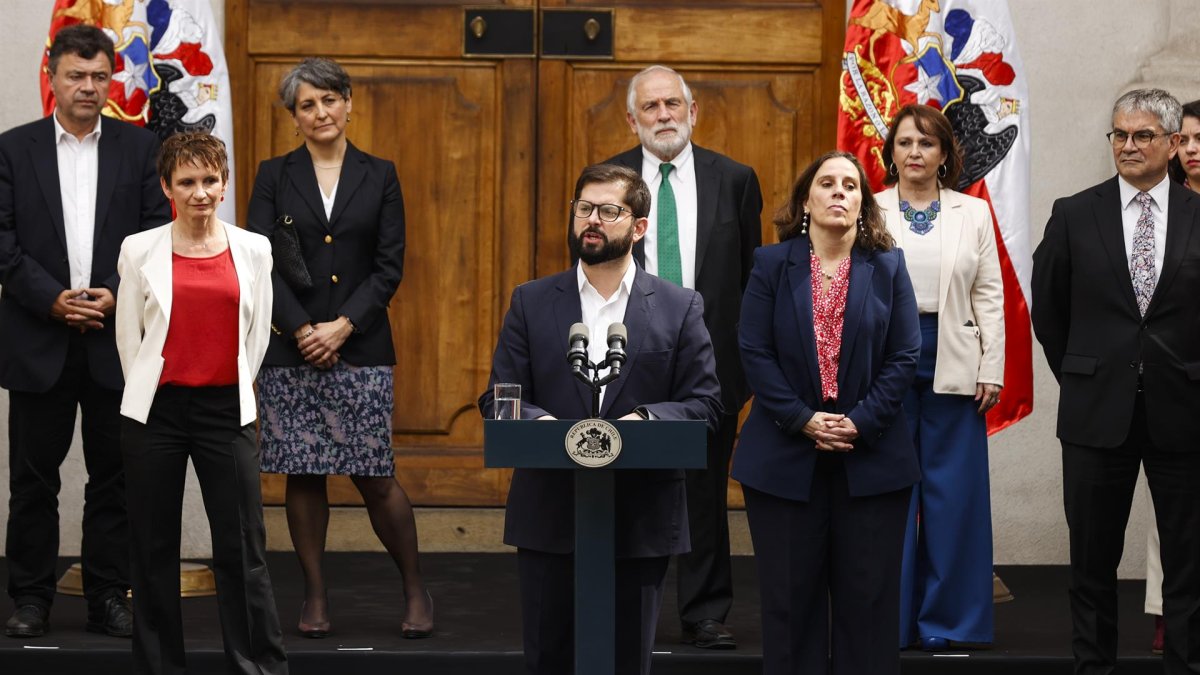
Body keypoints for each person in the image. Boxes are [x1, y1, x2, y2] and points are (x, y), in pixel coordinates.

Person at [478, 163, 723, 675]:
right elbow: (499, 398)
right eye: (584, 208)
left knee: (626, 660)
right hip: (549, 513)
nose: (592, 219)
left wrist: (645, 419)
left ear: (639, 227)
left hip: (640, 517)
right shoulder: (531, 301)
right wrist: (544, 428)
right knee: (548, 660)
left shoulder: (679, 307)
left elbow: (705, 405)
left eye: (609, 211)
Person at [246, 57, 431, 639]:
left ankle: (414, 587)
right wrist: (302, 328)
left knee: (374, 475)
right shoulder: (273, 175)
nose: (320, 112)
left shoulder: (381, 174)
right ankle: (315, 594)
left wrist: (343, 326)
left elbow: (388, 266)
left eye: (329, 99)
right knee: (303, 475)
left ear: (348, 103)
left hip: (361, 346)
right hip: (291, 349)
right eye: (307, 104)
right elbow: (259, 260)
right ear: (294, 117)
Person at [0, 24, 171, 638]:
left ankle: (107, 597)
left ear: (111, 80)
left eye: (100, 76)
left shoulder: (141, 148)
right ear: (52, 77)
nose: (88, 87)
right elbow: (3, 241)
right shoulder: (12, 150)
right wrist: (50, 299)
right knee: (32, 481)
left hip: (114, 340)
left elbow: (159, 234)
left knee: (115, 479)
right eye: (76, 75)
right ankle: (30, 599)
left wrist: (118, 293)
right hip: (37, 339)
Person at [732, 150, 921, 674]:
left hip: (873, 459)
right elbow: (754, 351)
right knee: (791, 607)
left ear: (863, 204)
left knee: (870, 608)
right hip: (785, 457)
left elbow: (905, 354)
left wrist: (860, 421)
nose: (840, 191)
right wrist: (802, 419)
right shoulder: (771, 264)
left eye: (851, 185)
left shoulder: (888, 266)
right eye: (827, 183)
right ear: (806, 201)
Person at [1032, 88, 1200, 675]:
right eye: (1119, 134)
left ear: (1173, 144)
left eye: (1142, 135)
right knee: (1091, 563)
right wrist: (1083, 373)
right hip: (1095, 411)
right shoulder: (1074, 214)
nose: (1127, 145)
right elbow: (1048, 310)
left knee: (1189, 564)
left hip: (1186, 412)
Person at [115, 131, 286, 674]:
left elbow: (256, 337)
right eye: (187, 181)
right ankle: (159, 666)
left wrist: (231, 387)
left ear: (225, 183)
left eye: (210, 180)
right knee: (152, 549)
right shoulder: (139, 249)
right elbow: (130, 340)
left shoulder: (254, 248)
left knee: (243, 549)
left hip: (226, 412)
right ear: (167, 187)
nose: (200, 192)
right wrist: (152, 394)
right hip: (156, 414)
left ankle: (257, 667)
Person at [604, 65, 762, 650]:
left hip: (709, 365)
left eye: (673, 103)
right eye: (651, 107)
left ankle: (705, 611)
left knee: (703, 491)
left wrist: (743, 368)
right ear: (632, 120)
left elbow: (750, 279)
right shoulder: (609, 181)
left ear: (693, 111)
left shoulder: (735, 179)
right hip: (626, 359)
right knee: (625, 486)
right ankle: (625, 606)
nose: (664, 115)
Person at [875, 103, 1005, 651]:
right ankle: (889, 623)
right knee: (888, 494)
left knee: (955, 497)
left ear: (946, 154)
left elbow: (990, 293)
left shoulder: (972, 212)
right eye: (905, 142)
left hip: (954, 356)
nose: (915, 152)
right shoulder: (870, 208)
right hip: (883, 363)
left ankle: (951, 623)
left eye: (927, 143)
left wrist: (991, 366)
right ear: (891, 152)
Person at [1144, 97, 1200, 655]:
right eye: (1186, 138)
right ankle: (1168, 613)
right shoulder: (1154, 208)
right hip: (1173, 381)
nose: (1193, 149)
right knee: (1173, 512)